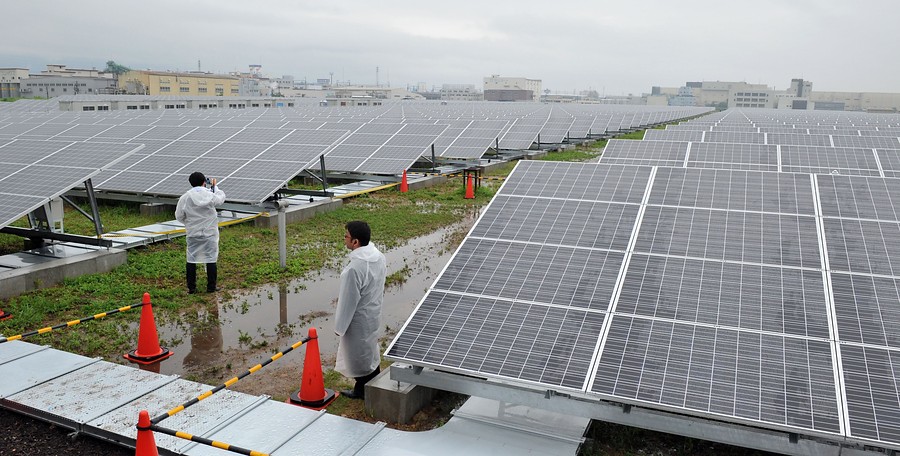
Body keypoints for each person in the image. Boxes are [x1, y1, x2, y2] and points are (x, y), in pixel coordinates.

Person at [335, 220, 387, 399]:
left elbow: (347, 302)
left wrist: (339, 327)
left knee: (357, 355)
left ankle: (363, 391)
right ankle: (370, 384)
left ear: (355, 242)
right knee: (370, 350)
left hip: (357, 319)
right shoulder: (379, 257)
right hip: (373, 312)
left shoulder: (354, 269)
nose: (344, 240)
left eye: (346, 236)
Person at [175, 172, 226, 294]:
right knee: (211, 258)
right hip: (210, 233)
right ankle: (211, 287)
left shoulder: (185, 198)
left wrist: (189, 223)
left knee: (191, 259)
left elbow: (179, 216)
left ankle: (191, 288)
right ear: (204, 182)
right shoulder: (210, 195)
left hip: (193, 232)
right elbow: (220, 199)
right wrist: (215, 187)